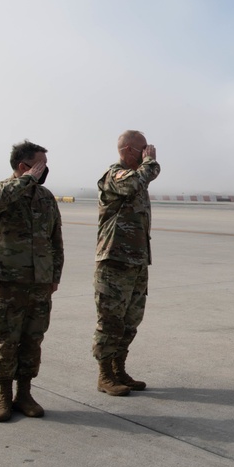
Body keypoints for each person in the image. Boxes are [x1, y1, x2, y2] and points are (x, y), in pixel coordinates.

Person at [0, 140, 64, 422]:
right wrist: (25, 181)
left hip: (39, 283)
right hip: (7, 281)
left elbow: (56, 240)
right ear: (23, 166)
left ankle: (25, 394)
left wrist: (55, 276)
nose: (45, 170)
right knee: (6, 340)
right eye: (40, 164)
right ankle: (4, 396)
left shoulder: (46, 197)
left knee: (33, 340)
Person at [92, 130, 160, 395]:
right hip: (114, 261)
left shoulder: (137, 178)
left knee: (131, 319)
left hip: (137, 261)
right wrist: (151, 162)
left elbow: (140, 181)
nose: (147, 153)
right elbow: (135, 181)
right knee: (110, 320)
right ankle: (105, 375)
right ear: (128, 151)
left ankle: (119, 369)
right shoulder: (115, 175)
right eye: (143, 149)